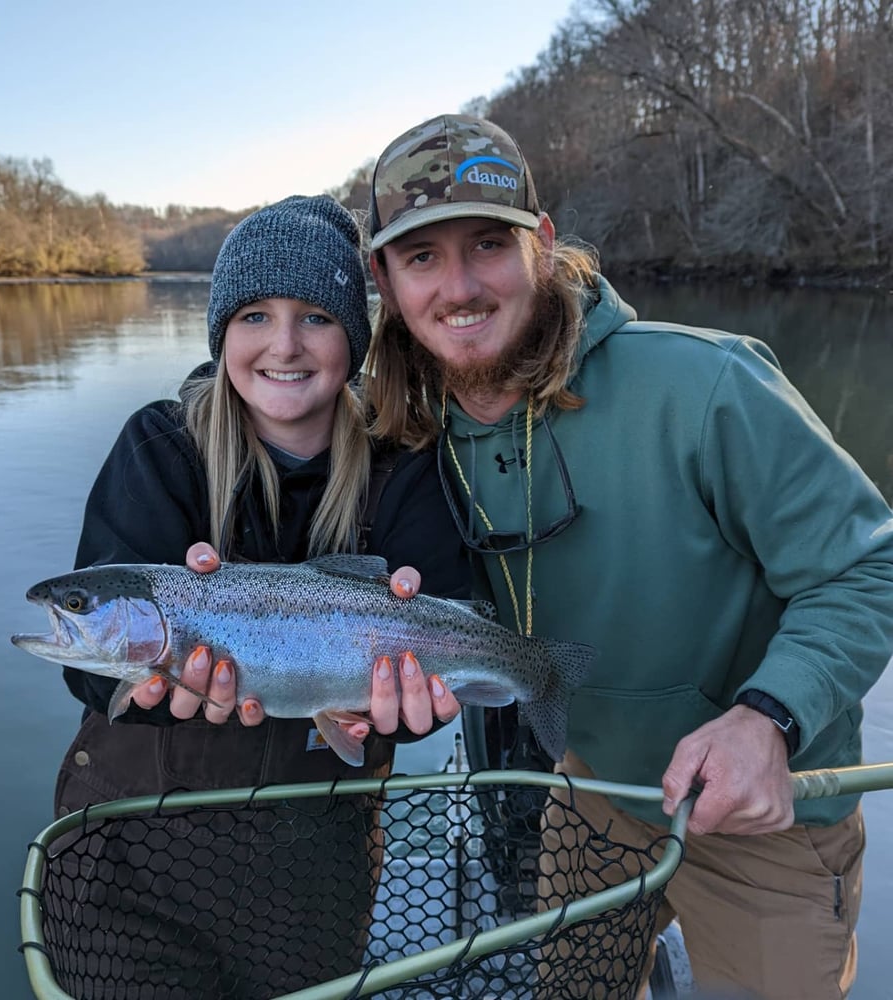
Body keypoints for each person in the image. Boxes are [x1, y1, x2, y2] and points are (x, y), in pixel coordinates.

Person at [361, 113, 893, 999]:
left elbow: (869, 566)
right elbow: (261, 401)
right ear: (384, 279)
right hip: (592, 794)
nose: (458, 286)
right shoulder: (397, 432)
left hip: (769, 813)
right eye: (421, 257)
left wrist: (772, 717)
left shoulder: (707, 385)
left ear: (544, 245)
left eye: (488, 244)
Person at [52, 193, 469, 999]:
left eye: (315, 316)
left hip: (315, 861)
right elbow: (88, 671)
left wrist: (413, 705)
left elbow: (436, 664)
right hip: (134, 854)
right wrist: (146, 686)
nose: (283, 345)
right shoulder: (160, 445)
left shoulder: (405, 467)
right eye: (253, 316)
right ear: (222, 333)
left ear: (354, 334)